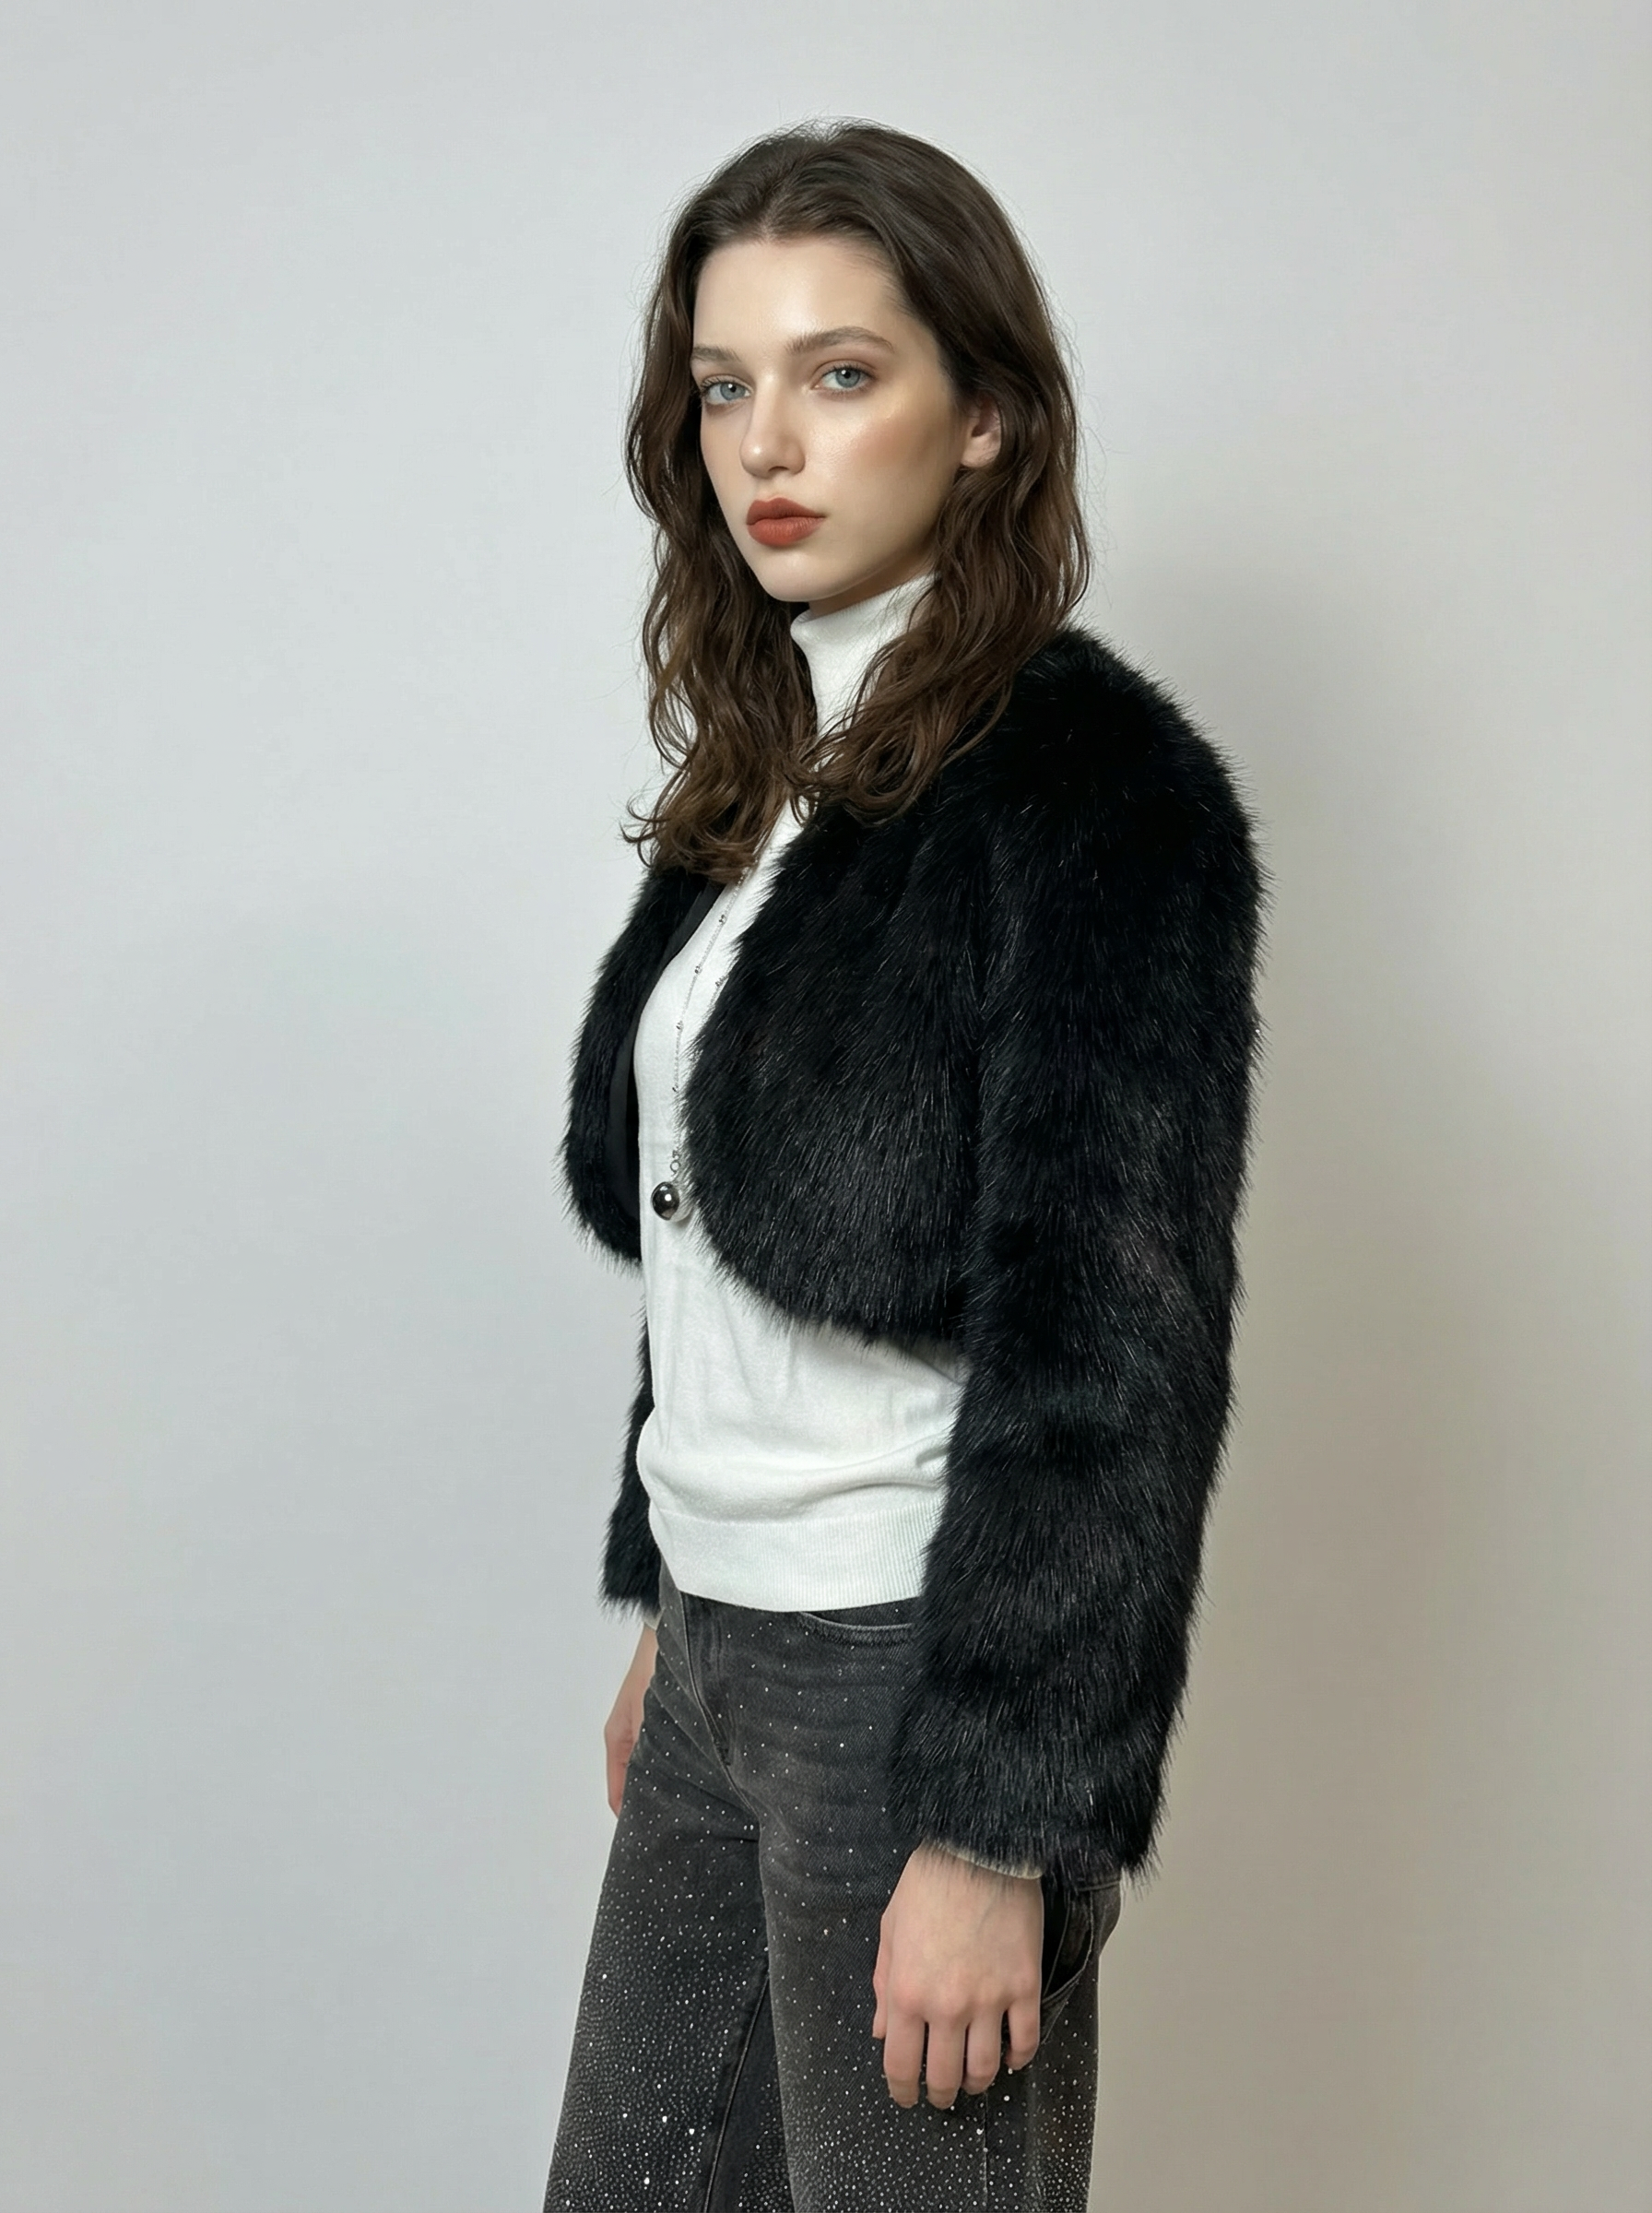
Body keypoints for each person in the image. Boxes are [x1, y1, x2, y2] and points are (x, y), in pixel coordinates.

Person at [544, 120, 1261, 2213]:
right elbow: (708, 1230)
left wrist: (997, 1824)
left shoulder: (1095, 796)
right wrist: (676, 1597)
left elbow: (1109, 1357)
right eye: (723, 384)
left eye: (841, 373)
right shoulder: (758, 779)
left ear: (985, 418)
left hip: (910, 1684)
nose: (766, 442)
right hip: (720, 1653)